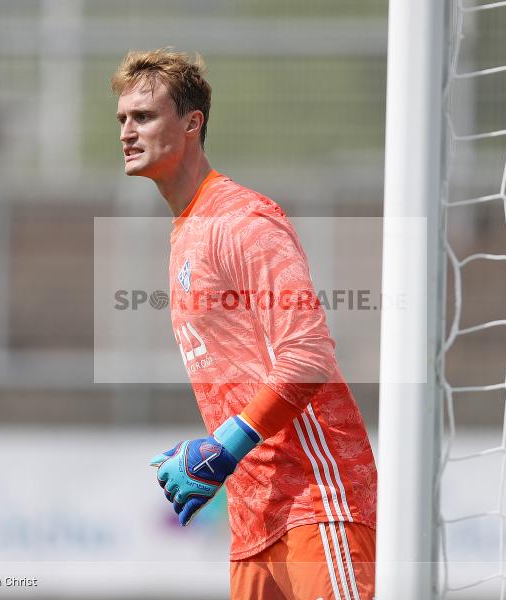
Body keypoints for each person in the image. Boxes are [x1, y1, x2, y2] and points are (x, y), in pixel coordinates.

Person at [112, 48, 377, 600]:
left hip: (316, 501)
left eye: (144, 116)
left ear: (192, 123)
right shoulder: (186, 232)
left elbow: (308, 355)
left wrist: (226, 444)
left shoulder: (241, 218)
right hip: (253, 519)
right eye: (122, 119)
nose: (127, 132)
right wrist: (226, 458)